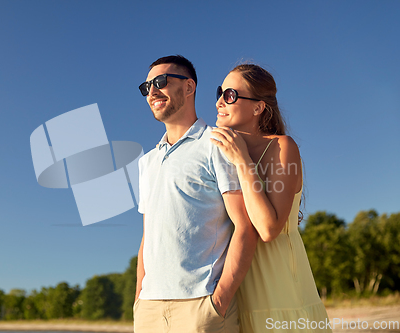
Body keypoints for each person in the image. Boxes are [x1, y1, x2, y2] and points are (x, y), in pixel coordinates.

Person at [134, 55, 258, 333]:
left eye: (161, 82)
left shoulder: (218, 144)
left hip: (201, 307)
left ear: (189, 87)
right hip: (149, 309)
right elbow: (148, 236)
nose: (152, 91)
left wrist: (219, 300)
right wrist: (138, 299)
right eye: (146, 87)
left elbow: (245, 225)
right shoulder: (147, 162)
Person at [210, 63, 331, 332]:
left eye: (230, 95)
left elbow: (268, 228)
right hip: (238, 296)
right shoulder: (218, 155)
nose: (220, 101)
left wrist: (241, 160)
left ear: (258, 107)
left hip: (282, 292)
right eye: (220, 92)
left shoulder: (282, 147)